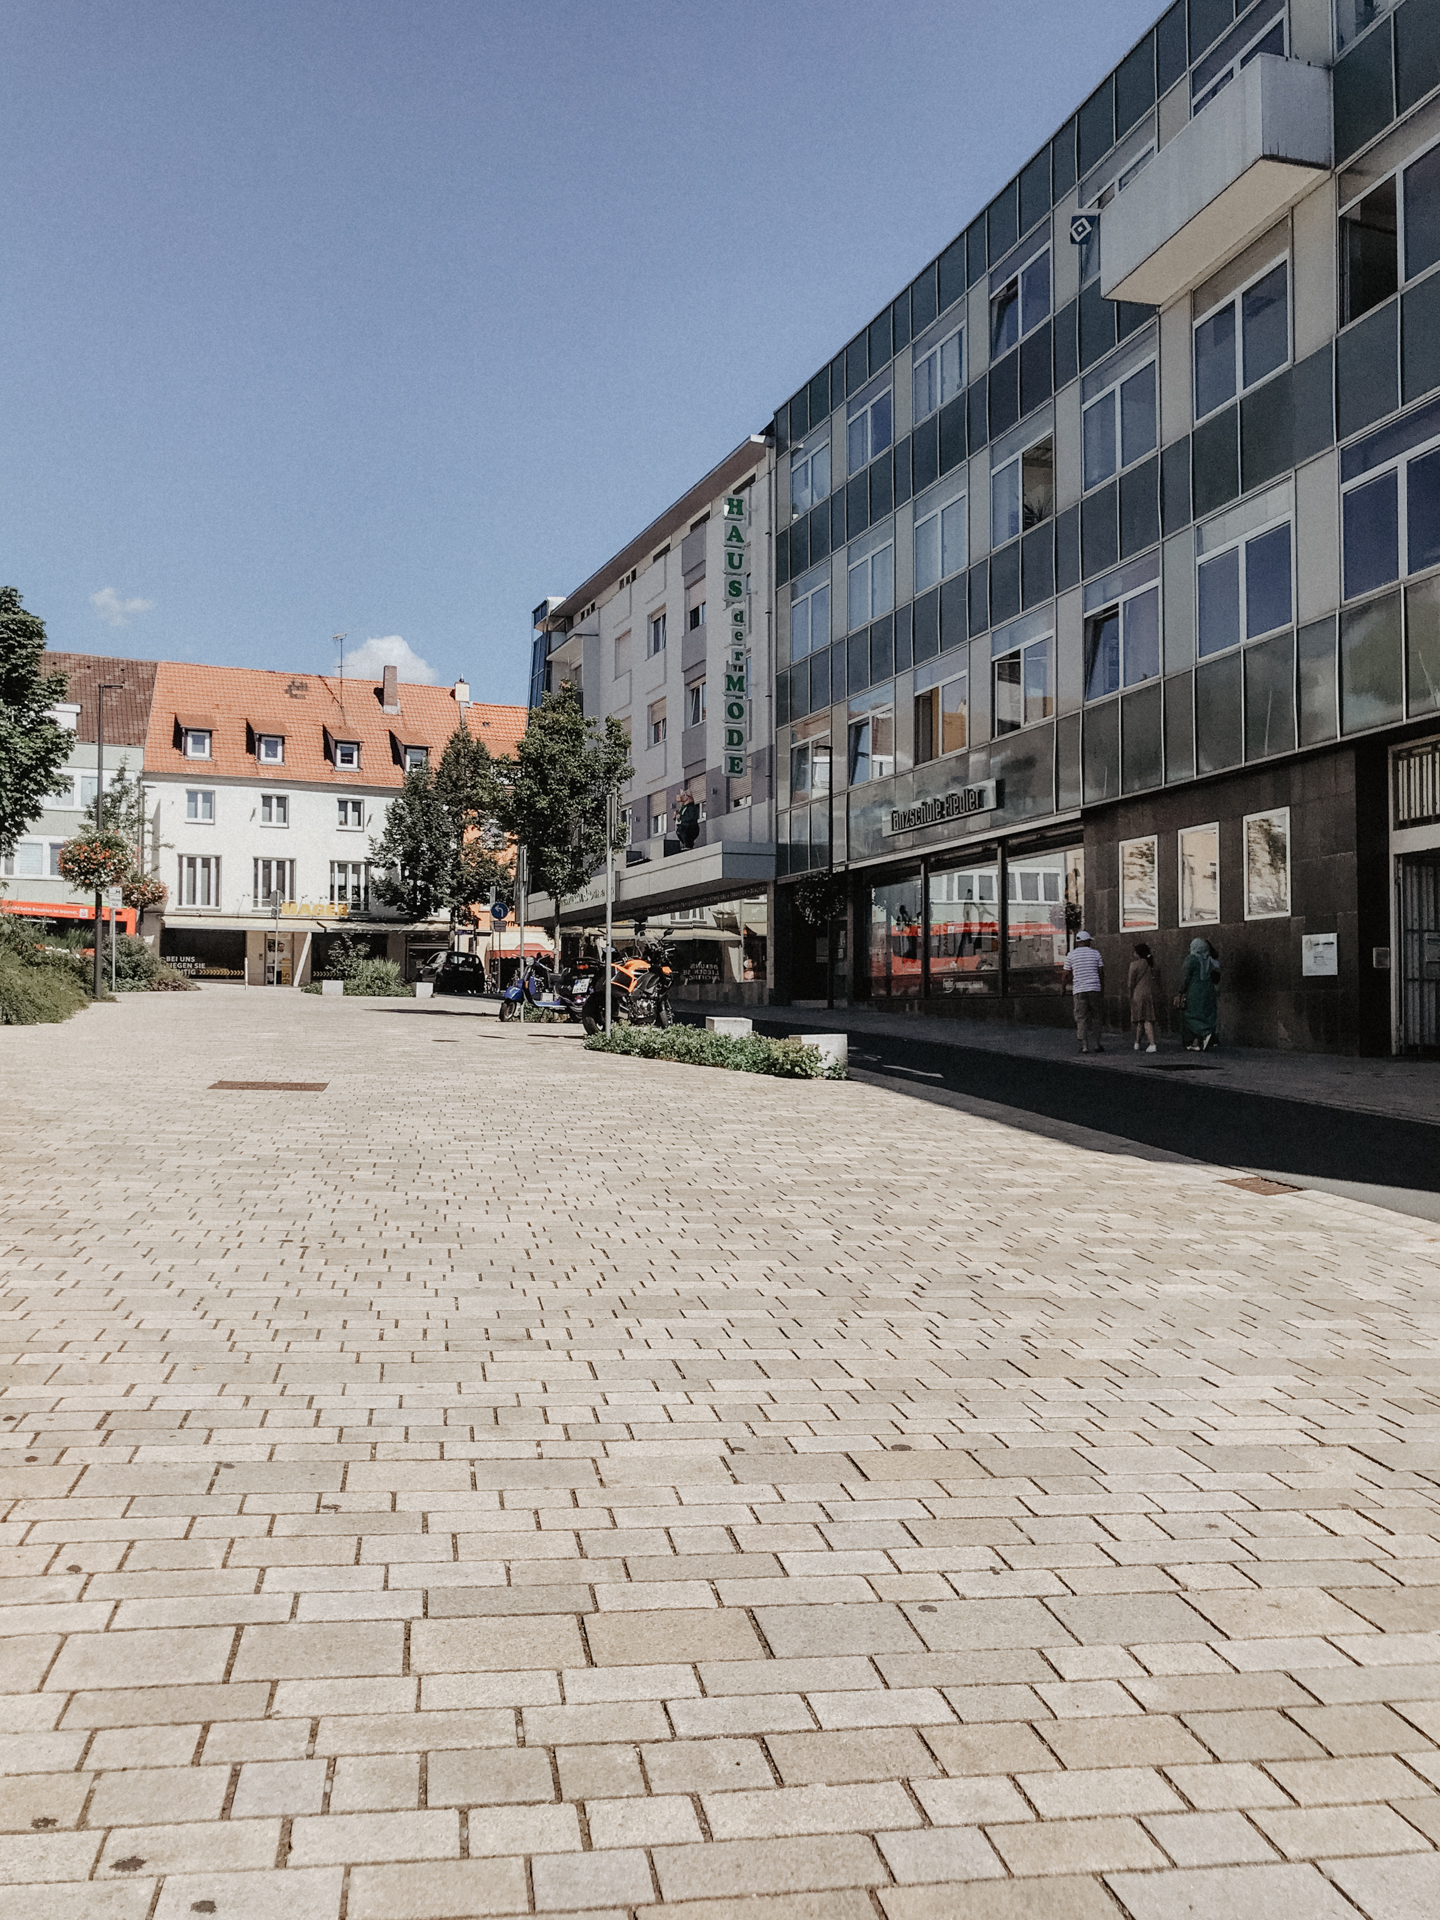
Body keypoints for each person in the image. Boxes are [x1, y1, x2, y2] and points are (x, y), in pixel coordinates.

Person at [1062, 930, 1105, 1053]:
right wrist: (1102, 987)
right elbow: (1101, 972)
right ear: (1086, 941)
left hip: (1079, 990)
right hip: (1094, 989)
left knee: (1081, 1017)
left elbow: (1066, 974)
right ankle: (1097, 1044)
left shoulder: (1071, 955)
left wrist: (1063, 988)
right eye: (1089, 941)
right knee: (1097, 1017)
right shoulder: (1096, 953)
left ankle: (1085, 1046)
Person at [1180, 936, 1221, 1050]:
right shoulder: (1210, 960)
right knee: (1206, 1015)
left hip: (1195, 990)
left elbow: (1185, 977)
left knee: (1189, 1016)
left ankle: (1205, 1032)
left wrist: (1181, 990)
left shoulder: (1191, 959)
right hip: (1209, 989)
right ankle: (1197, 1042)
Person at [1128, 942, 1158, 1053]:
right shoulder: (1150, 964)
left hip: (1138, 994)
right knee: (1144, 1019)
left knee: (1144, 1020)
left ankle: (1152, 1043)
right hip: (1149, 993)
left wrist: (1130, 994)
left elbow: (1130, 982)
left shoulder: (1134, 965)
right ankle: (1137, 1042)